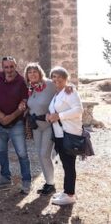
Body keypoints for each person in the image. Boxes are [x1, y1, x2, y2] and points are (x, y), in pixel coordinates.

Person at [0, 57, 31, 193]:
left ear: (15, 66)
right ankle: (5, 177)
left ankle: (26, 182)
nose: (9, 70)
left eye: (11, 67)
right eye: (6, 67)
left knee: (22, 153)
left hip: (16, 123)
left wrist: (10, 117)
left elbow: (24, 104)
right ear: (2, 67)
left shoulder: (22, 81)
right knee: (0, 151)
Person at [46, 66, 83, 206]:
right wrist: (49, 116)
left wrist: (59, 116)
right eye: (54, 76)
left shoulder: (70, 91)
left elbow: (79, 110)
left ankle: (70, 195)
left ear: (66, 78)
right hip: (59, 134)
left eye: (60, 76)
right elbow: (54, 111)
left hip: (69, 133)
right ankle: (67, 191)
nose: (56, 79)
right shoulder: (57, 94)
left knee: (69, 164)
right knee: (65, 164)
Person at [25, 62, 57, 195]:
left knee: (45, 154)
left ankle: (51, 184)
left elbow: (64, 85)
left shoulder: (49, 84)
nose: (32, 74)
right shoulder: (30, 88)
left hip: (49, 125)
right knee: (40, 155)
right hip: (36, 126)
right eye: (29, 72)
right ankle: (48, 182)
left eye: (35, 72)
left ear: (40, 73)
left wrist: (69, 88)